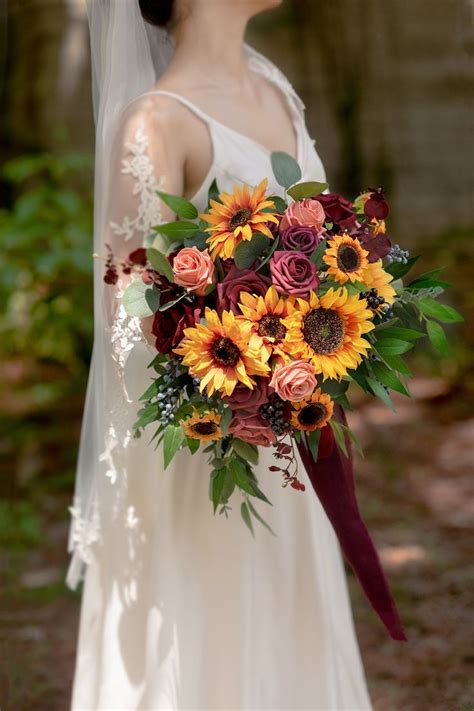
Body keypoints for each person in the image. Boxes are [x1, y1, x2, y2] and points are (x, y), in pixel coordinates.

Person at [70, 1, 372, 708]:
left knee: (286, 623)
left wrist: (326, 341)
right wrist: (238, 386)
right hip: (205, 448)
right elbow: (128, 307)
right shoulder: (157, 122)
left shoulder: (274, 87)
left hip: (288, 437)